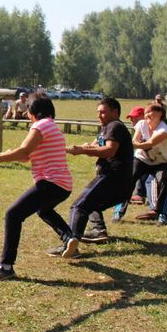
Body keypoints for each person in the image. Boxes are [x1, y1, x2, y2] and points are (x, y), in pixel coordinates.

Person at [0, 96, 76, 280]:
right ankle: (68, 238)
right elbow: (26, 156)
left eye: (28, 113)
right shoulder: (53, 126)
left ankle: (6, 267)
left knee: (13, 214)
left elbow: (24, 151)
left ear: (33, 113)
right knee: (44, 210)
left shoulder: (40, 126)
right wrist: (6, 154)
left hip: (50, 183)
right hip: (63, 186)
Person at [64, 98, 133, 249]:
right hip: (119, 182)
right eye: (98, 112)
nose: (99, 115)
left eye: (103, 112)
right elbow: (95, 146)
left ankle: (70, 243)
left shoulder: (115, 126)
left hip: (113, 177)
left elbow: (109, 150)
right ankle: (98, 230)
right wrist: (80, 147)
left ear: (115, 112)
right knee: (90, 202)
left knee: (79, 206)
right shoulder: (106, 128)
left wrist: (83, 150)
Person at [127, 104, 167, 222]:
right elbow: (135, 139)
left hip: (161, 162)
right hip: (142, 158)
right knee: (129, 178)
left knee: (164, 180)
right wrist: (134, 143)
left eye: (150, 112)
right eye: (145, 113)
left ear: (160, 114)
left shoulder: (164, 130)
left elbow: (150, 144)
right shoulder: (141, 124)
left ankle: (162, 214)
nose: (147, 115)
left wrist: (131, 145)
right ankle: (119, 210)